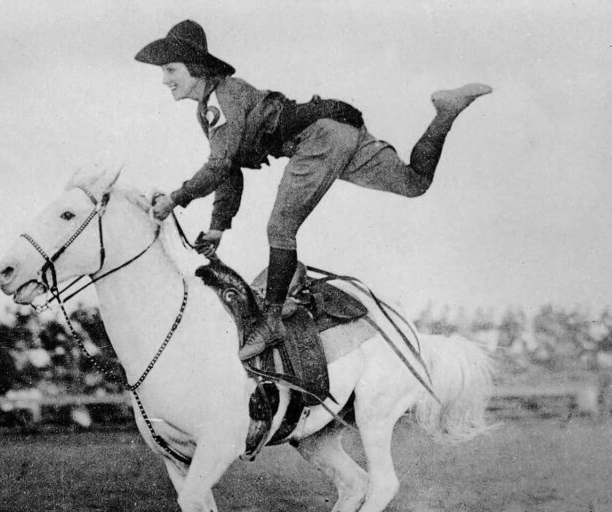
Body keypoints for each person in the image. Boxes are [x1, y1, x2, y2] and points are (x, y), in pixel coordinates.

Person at [137, 20, 491, 360]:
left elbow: (218, 167)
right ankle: (445, 113)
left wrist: (174, 199)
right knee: (415, 183)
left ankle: (272, 323)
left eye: (170, 70)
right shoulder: (215, 104)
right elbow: (227, 169)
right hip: (339, 130)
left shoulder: (218, 102)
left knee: (280, 229)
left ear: (195, 68)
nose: (164, 80)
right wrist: (218, 225)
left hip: (318, 139)